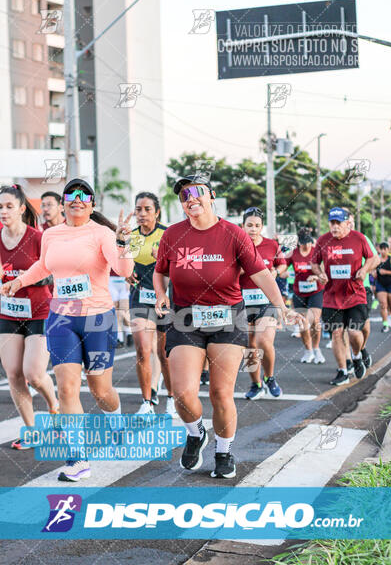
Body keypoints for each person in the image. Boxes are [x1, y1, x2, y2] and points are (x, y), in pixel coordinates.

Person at [153, 175, 302, 478]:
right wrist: (160, 294)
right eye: (183, 195)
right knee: (182, 393)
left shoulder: (233, 234)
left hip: (228, 318)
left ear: (211, 196)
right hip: (186, 318)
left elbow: (261, 274)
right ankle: (196, 433)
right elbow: (160, 272)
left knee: (221, 393)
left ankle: (224, 451)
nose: (189, 198)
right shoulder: (173, 234)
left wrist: (283, 307)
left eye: (196, 192)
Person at [1, 178, 134, 481]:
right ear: (63, 203)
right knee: (67, 389)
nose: (77, 198)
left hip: (97, 319)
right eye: (70, 194)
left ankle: (115, 419)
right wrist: (19, 281)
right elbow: (43, 266)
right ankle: (78, 459)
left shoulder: (101, 233)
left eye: (84, 194)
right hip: (61, 320)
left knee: (101, 391)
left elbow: (123, 271)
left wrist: (123, 243)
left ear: (92, 204)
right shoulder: (51, 234)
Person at [0, 184, 58, 449]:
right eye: (0, 207)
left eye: (9, 206)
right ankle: (31, 429)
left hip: (39, 311)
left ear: (22, 209)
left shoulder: (38, 238)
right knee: (13, 374)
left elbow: (55, 272)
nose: (3, 211)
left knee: (34, 374)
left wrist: (22, 281)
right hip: (8, 312)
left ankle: (55, 409)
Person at [310, 207, 375, 386]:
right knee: (336, 334)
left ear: (348, 223)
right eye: (332, 222)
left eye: (339, 223)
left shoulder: (359, 238)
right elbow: (314, 263)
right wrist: (320, 273)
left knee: (355, 332)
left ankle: (356, 356)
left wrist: (364, 269)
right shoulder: (323, 241)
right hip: (331, 296)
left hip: (355, 295)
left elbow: (371, 258)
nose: (335, 226)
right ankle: (342, 371)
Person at [128, 192, 176, 417]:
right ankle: (147, 401)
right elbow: (124, 268)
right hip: (139, 298)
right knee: (142, 350)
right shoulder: (131, 236)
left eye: (147, 209)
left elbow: (181, 268)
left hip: (163, 300)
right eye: (138, 209)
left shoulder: (168, 234)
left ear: (157, 212)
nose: (142, 214)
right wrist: (126, 273)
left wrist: (164, 261)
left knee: (164, 353)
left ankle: (172, 399)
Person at [239, 207, 287, 400]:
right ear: (242, 226)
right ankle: (256, 384)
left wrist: (274, 272)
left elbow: (282, 264)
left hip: (265, 300)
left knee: (263, 341)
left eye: (257, 225)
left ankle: (270, 377)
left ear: (261, 227)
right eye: (249, 225)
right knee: (250, 346)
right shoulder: (235, 246)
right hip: (242, 301)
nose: (253, 229)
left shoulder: (271, 245)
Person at [286, 229, 325, 364]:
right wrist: (284, 273)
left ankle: (316, 349)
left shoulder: (316, 252)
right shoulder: (293, 254)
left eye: (308, 243)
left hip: (316, 291)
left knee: (314, 319)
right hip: (299, 292)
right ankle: (308, 351)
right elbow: (282, 268)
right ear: (298, 243)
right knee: (302, 322)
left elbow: (324, 271)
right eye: (303, 243)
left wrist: (316, 276)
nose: (307, 246)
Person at [346, 212, 379, 368]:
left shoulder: (362, 238)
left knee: (363, 327)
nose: (349, 224)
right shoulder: (331, 241)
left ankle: (362, 348)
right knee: (343, 329)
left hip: (361, 288)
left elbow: (376, 259)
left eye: (351, 221)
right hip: (340, 292)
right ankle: (349, 361)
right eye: (346, 221)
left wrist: (365, 270)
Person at [374, 241, 391, 332]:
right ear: (379, 250)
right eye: (382, 249)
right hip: (380, 284)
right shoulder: (377, 259)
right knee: (383, 305)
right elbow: (372, 269)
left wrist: (386, 272)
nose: (384, 251)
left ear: (388, 250)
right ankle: (385, 325)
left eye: (385, 249)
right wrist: (373, 273)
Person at [109, 269, 131, 348]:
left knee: (124, 310)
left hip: (124, 279)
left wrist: (130, 276)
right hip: (111, 279)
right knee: (116, 311)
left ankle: (129, 332)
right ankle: (119, 338)